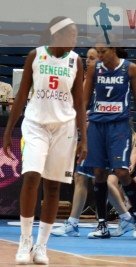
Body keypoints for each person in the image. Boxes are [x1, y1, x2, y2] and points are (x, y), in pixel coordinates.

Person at [2, 16, 86, 265]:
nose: (75, 39)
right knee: (31, 176)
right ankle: (25, 240)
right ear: (56, 35)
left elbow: (79, 102)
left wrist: (84, 137)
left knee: (53, 186)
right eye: (71, 34)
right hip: (36, 124)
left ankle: (41, 246)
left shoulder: (76, 61)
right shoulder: (35, 56)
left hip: (65, 128)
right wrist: (9, 129)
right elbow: (20, 96)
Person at [83, 38, 136, 239]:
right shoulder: (94, 68)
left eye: (103, 52)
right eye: (98, 52)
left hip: (119, 125)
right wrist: (79, 130)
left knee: (121, 171)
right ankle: (102, 224)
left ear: (114, 49)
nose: (100, 56)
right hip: (96, 125)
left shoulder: (130, 68)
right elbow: (84, 100)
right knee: (99, 173)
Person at [51, 47, 99, 237]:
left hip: (95, 132)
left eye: (94, 58)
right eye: (88, 58)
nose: (90, 61)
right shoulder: (81, 78)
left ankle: (129, 216)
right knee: (85, 176)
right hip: (81, 131)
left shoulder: (99, 80)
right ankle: (129, 216)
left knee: (96, 178)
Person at [107, 127, 136, 237]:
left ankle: (125, 213)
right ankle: (127, 216)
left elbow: (134, 153)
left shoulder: (135, 136)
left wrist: (132, 165)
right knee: (110, 181)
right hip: (116, 163)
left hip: (130, 165)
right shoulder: (111, 133)